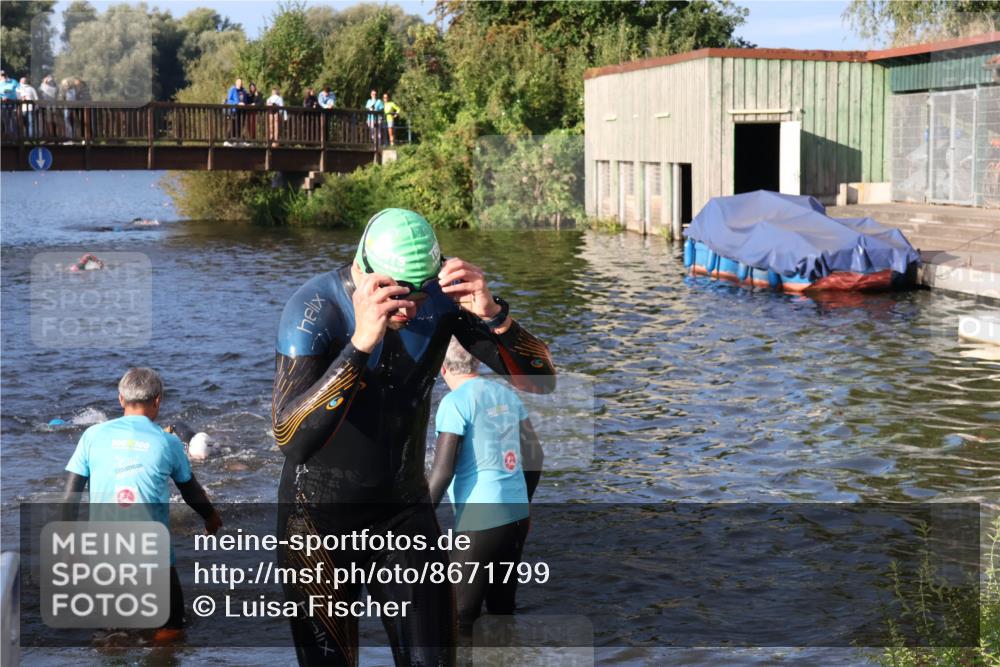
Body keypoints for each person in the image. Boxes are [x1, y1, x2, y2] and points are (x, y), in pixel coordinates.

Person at [272, 208, 556, 666]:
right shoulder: (314, 310)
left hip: (402, 513)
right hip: (316, 519)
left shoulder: (442, 301)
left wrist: (496, 316)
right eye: (395, 294)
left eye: (419, 293)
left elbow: (541, 379)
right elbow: (291, 437)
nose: (409, 308)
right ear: (364, 270)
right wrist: (360, 344)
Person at [61, 368, 222, 641]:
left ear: (121, 399)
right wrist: (211, 518)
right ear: (157, 400)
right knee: (171, 628)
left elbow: (70, 497)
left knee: (110, 634)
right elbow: (190, 490)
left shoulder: (92, 436)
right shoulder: (168, 441)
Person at [428, 338, 543, 634]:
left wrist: (415, 519)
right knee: (502, 613)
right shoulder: (506, 394)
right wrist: (524, 507)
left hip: (480, 522)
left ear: (442, 368)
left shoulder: (454, 404)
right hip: (516, 518)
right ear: (476, 362)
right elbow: (535, 457)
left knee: (456, 619)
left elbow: (442, 471)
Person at [224, 77, 246, 144]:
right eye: (239, 82)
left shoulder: (244, 91)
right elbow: (229, 100)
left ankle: (237, 140)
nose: (240, 83)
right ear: (236, 82)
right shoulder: (233, 89)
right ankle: (228, 140)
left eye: (241, 82)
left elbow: (246, 99)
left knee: (240, 125)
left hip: (242, 111)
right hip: (234, 110)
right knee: (232, 125)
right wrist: (237, 103)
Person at [0, 71, 19, 139]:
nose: (3, 77)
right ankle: (6, 136)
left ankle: (14, 137)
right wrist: (2, 98)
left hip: (12, 105)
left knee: (13, 121)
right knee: (5, 121)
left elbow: (18, 92)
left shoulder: (12, 83)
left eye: (4, 75)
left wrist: (10, 98)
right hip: (2, 106)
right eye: (2, 75)